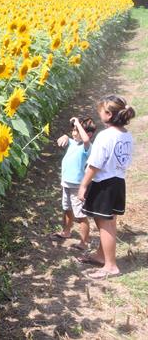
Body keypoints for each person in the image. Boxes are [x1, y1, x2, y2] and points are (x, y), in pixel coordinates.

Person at [76, 95, 136, 279]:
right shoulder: (127, 135)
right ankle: (102, 255)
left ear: (108, 114)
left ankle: (110, 265)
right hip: (118, 182)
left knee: (105, 225)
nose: (99, 114)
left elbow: (95, 164)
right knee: (109, 222)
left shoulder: (105, 136)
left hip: (104, 184)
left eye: (100, 111)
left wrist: (83, 186)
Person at [54, 116, 96, 249]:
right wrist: (65, 136)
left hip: (77, 186)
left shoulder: (87, 147)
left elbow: (85, 140)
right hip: (66, 183)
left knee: (80, 215)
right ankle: (66, 232)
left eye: (76, 131)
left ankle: (84, 243)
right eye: (73, 130)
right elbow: (68, 139)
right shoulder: (74, 142)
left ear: (88, 134)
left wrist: (77, 122)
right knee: (66, 208)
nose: (73, 133)